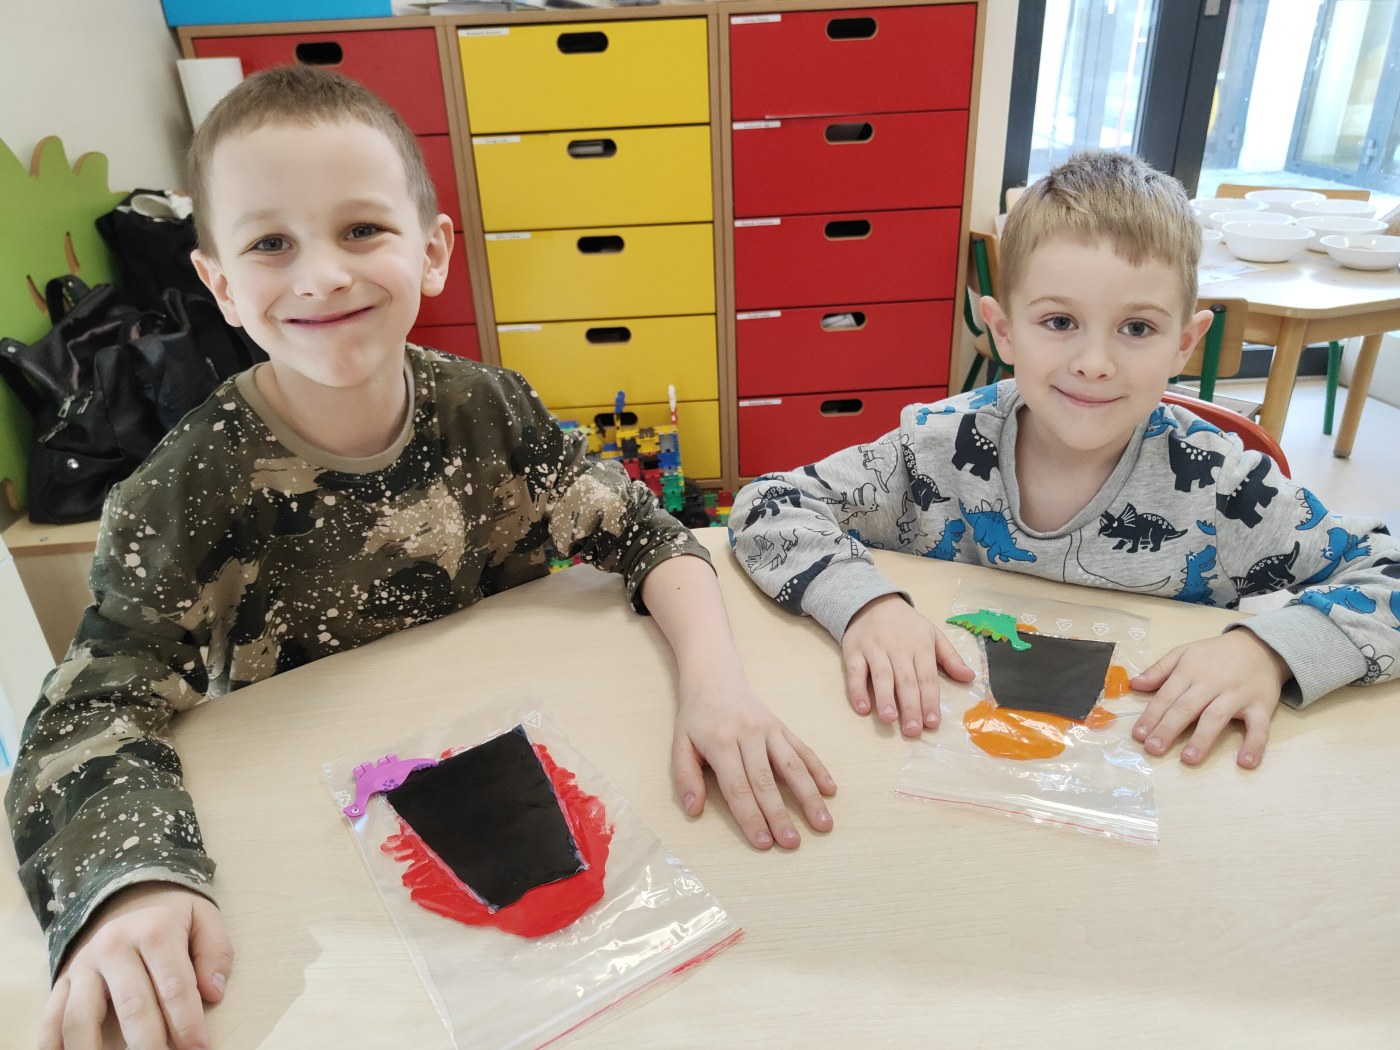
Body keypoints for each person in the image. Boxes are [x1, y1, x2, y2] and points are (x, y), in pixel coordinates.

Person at [6, 66, 835, 1050]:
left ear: (432, 251)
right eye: (271, 244)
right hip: (324, 852)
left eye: (361, 229)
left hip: (518, 789)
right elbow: (85, 714)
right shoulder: (178, 495)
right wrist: (131, 886)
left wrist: (716, 689)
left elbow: (650, 535)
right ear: (220, 284)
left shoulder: (490, 411)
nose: (322, 275)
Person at [731, 150, 1398, 768]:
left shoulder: (1224, 486)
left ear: (1184, 344)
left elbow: (1387, 571)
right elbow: (768, 505)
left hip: (1151, 777)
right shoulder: (933, 445)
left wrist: (1267, 651)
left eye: (1137, 328)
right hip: (938, 756)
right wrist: (867, 605)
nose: (1094, 363)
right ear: (1003, 330)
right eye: (1059, 322)